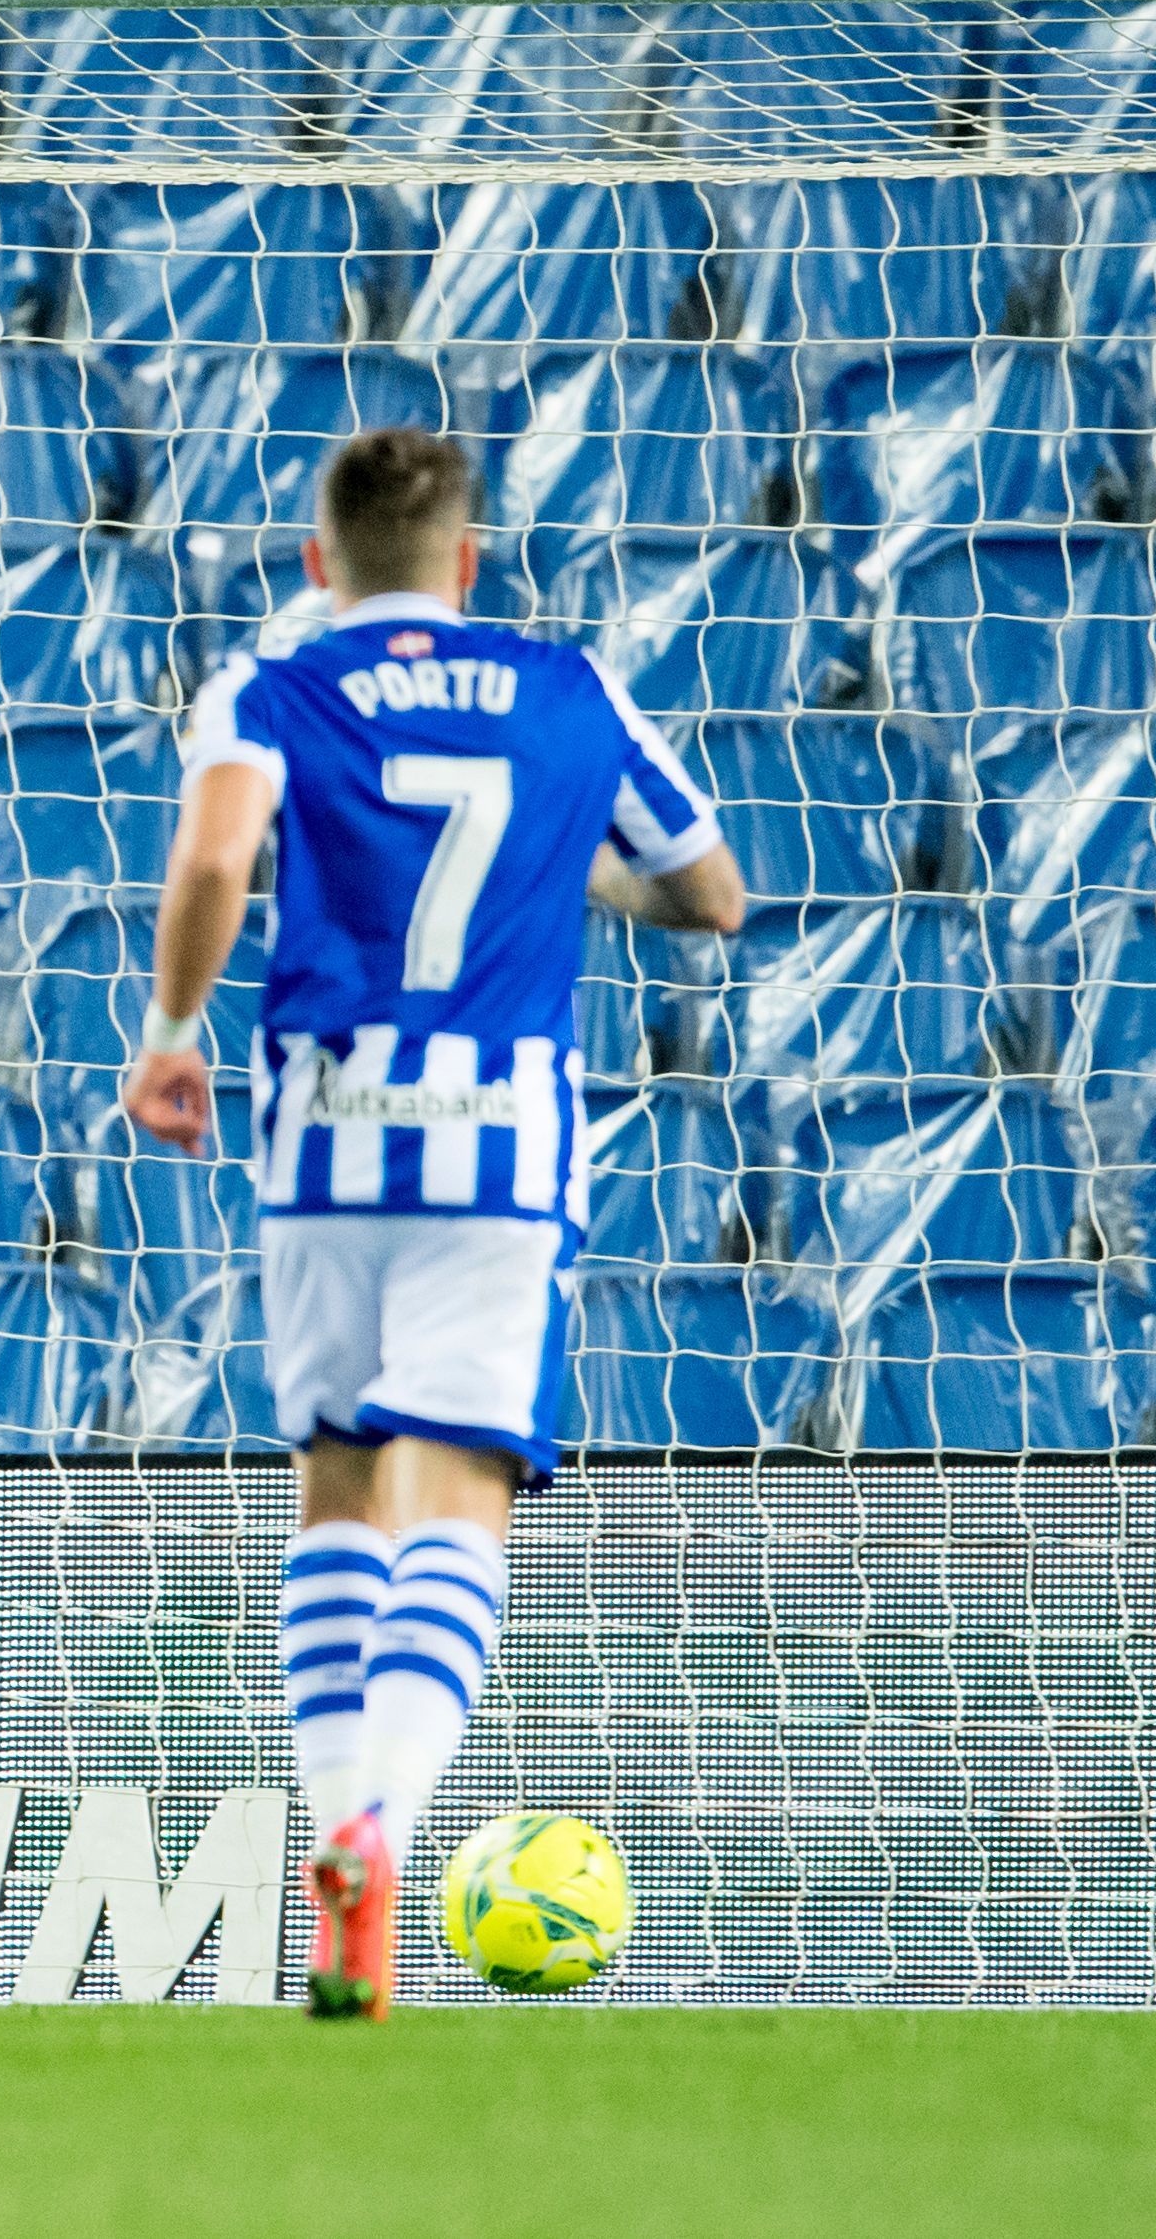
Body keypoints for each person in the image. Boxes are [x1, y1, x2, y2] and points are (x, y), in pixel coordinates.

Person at [122, 427, 745, 2021]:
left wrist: (173, 1032)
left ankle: (337, 1827)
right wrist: (566, 879)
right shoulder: (569, 685)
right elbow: (712, 895)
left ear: (323, 561)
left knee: (337, 1484)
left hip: (324, 1127)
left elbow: (214, 849)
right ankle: (386, 1830)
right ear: (469, 559)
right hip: (500, 1145)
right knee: (461, 1497)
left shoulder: (274, 678)